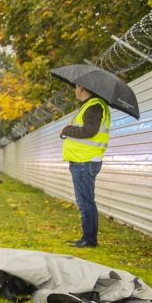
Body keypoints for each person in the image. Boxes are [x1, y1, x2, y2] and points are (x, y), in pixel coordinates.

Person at [60, 84, 111, 248]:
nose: (75, 90)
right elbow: (84, 130)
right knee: (85, 201)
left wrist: (66, 129)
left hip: (85, 160)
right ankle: (87, 237)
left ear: (81, 88)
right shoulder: (90, 106)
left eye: (76, 87)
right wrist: (70, 128)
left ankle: (89, 239)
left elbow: (89, 130)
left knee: (86, 202)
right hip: (82, 160)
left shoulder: (95, 105)